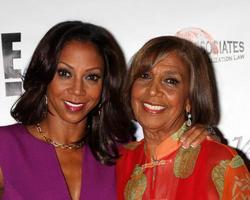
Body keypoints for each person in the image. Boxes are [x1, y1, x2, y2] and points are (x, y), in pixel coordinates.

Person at [0, 21, 214, 200]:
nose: (77, 90)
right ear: (45, 74)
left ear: (105, 85)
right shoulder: (5, 147)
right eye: (65, 73)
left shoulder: (120, 154)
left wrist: (204, 138)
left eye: (91, 77)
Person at [116, 36, 250, 200]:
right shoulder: (118, 161)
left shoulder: (220, 161)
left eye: (170, 81)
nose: (153, 90)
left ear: (190, 99)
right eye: (144, 76)